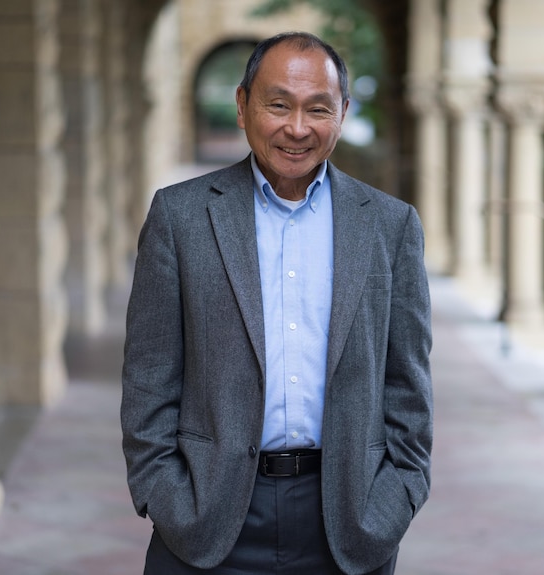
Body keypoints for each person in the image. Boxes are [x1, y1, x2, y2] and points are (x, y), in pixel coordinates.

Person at [121, 31, 433, 575]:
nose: (297, 128)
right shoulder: (181, 217)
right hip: (207, 522)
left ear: (341, 113)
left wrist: (396, 499)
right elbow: (149, 376)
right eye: (278, 105)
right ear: (243, 106)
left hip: (348, 522)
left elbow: (408, 385)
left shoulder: (390, 225)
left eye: (318, 108)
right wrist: (165, 496)